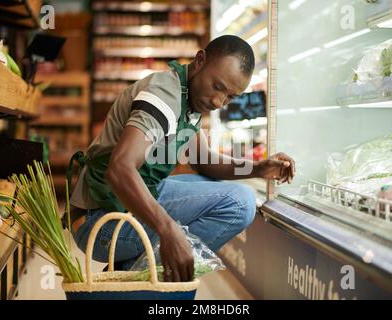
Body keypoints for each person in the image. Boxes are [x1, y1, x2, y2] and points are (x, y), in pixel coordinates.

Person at [67, 35, 295, 282]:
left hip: (120, 205)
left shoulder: (190, 97)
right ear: (199, 60)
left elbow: (204, 162)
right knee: (240, 203)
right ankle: (138, 279)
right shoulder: (164, 97)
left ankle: (132, 271)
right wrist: (168, 230)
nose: (219, 101)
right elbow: (120, 169)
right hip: (99, 222)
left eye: (230, 97)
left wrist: (259, 168)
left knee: (219, 190)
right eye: (217, 86)